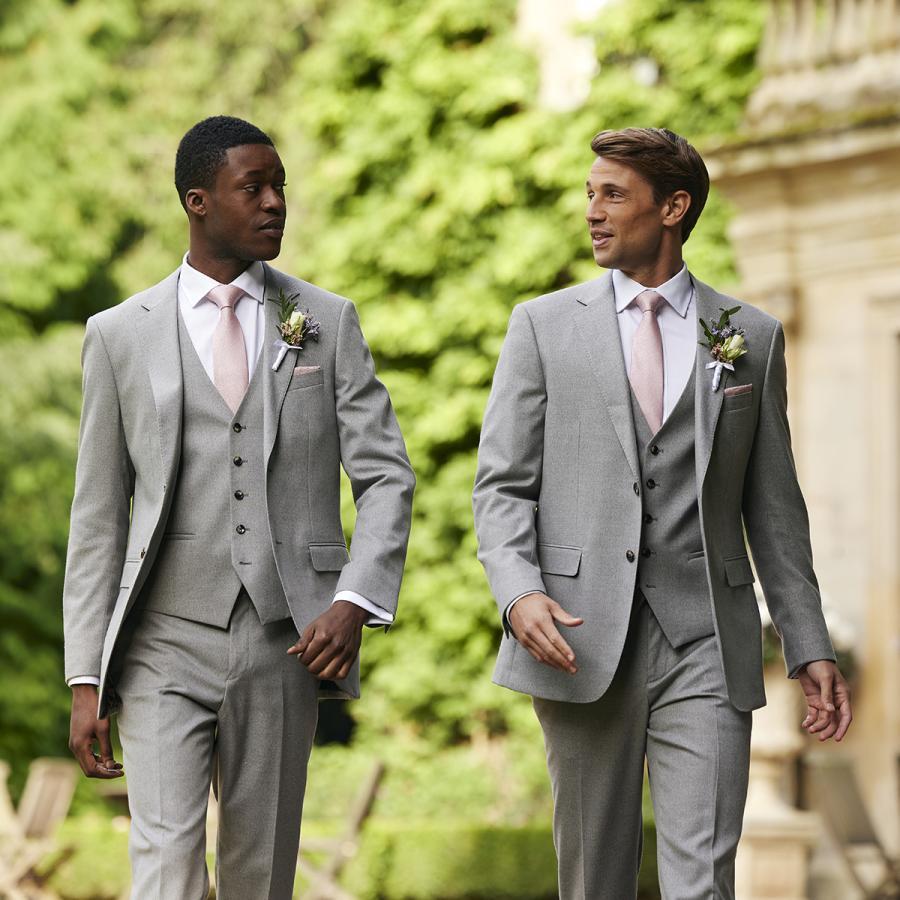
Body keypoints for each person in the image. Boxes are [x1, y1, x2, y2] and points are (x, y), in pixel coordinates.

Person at [472, 126, 851, 899]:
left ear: (674, 207)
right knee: (593, 880)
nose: (593, 211)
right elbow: (501, 485)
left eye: (613, 194)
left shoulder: (749, 338)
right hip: (576, 640)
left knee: (703, 881)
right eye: (590, 194)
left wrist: (808, 643)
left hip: (706, 638)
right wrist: (518, 594)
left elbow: (774, 511)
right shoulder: (542, 327)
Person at [63, 115, 415, 899]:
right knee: (164, 868)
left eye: (280, 185)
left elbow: (387, 476)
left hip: (283, 640)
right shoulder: (118, 335)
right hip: (160, 641)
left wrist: (355, 600)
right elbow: (97, 518)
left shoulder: (328, 321)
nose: (275, 203)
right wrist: (85, 675)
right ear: (197, 201)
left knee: (262, 876)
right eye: (252, 188)